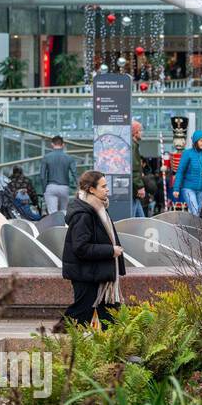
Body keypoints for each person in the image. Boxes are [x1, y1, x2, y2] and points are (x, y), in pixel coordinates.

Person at [62, 171, 126, 327]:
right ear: (91, 189)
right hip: (86, 274)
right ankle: (58, 344)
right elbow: (81, 248)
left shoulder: (99, 209)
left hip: (98, 272)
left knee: (110, 319)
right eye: (103, 186)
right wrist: (110, 251)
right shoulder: (83, 214)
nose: (107, 190)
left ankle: (112, 350)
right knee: (80, 315)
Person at [172, 130, 202, 217]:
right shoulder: (187, 153)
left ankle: (190, 229)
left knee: (196, 214)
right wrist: (176, 188)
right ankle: (194, 230)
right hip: (188, 188)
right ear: (195, 141)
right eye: (201, 141)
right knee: (195, 211)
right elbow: (180, 171)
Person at [41, 135, 77, 214]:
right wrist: (78, 187)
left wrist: (44, 190)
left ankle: (55, 226)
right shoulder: (69, 158)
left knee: (53, 213)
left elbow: (42, 176)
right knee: (64, 211)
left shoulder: (46, 157)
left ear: (52, 144)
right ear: (63, 145)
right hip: (64, 187)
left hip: (51, 187)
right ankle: (64, 226)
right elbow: (74, 174)